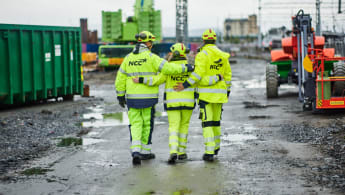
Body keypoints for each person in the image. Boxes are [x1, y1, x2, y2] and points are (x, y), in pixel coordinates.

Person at [115, 31, 193, 165]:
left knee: (135, 125)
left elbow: (120, 78)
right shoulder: (152, 57)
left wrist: (120, 96)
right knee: (147, 124)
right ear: (148, 43)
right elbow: (169, 69)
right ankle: (145, 152)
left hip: (132, 99)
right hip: (148, 99)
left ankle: (135, 152)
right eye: (151, 42)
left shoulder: (128, 58)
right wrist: (187, 67)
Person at [174, 29, 232, 162]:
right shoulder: (223, 55)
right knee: (216, 123)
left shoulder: (202, 55)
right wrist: (227, 91)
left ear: (204, 40)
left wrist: (185, 85)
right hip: (220, 96)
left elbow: (197, 75)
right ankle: (216, 147)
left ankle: (209, 152)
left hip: (206, 96)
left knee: (207, 124)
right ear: (215, 40)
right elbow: (228, 76)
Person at [133, 43, 195, 164]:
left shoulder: (168, 67)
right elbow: (197, 81)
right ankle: (182, 153)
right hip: (188, 102)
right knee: (184, 126)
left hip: (172, 103)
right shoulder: (190, 67)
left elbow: (156, 80)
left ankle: (173, 151)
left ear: (172, 53)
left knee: (173, 127)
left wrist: (140, 79)